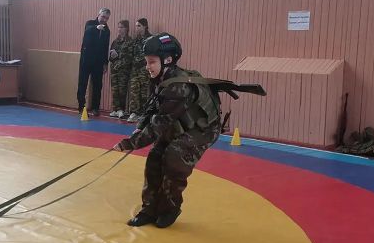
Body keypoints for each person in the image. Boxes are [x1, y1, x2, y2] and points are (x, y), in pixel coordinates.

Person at [114, 33, 264, 228]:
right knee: (154, 157)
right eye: (146, 62)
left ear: (168, 60)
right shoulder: (161, 77)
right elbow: (152, 108)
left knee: (174, 158)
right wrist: (139, 128)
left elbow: (159, 124)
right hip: (180, 123)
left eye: (151, 62)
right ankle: (149, 209)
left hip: (202, 130)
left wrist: (129, 143)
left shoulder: (178, 86)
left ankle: (169, 209)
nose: (147, 66)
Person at [76, 8, 111, 116]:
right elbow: (87, 31)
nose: (104, 19)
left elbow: (106, 47)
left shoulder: (107, 30)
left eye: (106, 18)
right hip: (86, 60)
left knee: (97, 85)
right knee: (82, 83)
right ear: (98, 15)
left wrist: (105, 63)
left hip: (98, 62)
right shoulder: (90, 23)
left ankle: (95, 108)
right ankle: (81, 107)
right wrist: (96, 27)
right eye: (103, 16)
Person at [125, 18, 152, 123]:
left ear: (145, 26)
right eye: (136, 26)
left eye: (139, 26)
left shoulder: (150, 39)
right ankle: (134, 112)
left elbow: (150, 55)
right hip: (135, 70)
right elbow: (131, 53)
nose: (137, 28)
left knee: (144, 92)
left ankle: (144, 114)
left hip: (145, 70)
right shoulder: (136, 40)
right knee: (134, 91)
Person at [107, 20, 133, 118]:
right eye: (118, 27)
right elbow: (110, 57)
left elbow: (129, 57)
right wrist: (112, 55)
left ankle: (121, 109)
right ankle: (116, 109)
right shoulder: (115, 41)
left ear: (126, 28)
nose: (119, 29)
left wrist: (118, 55)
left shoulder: (130, 41)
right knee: (115, 90)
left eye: (122, 27)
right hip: (114, 69)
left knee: (122, 90)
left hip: (123, 70)